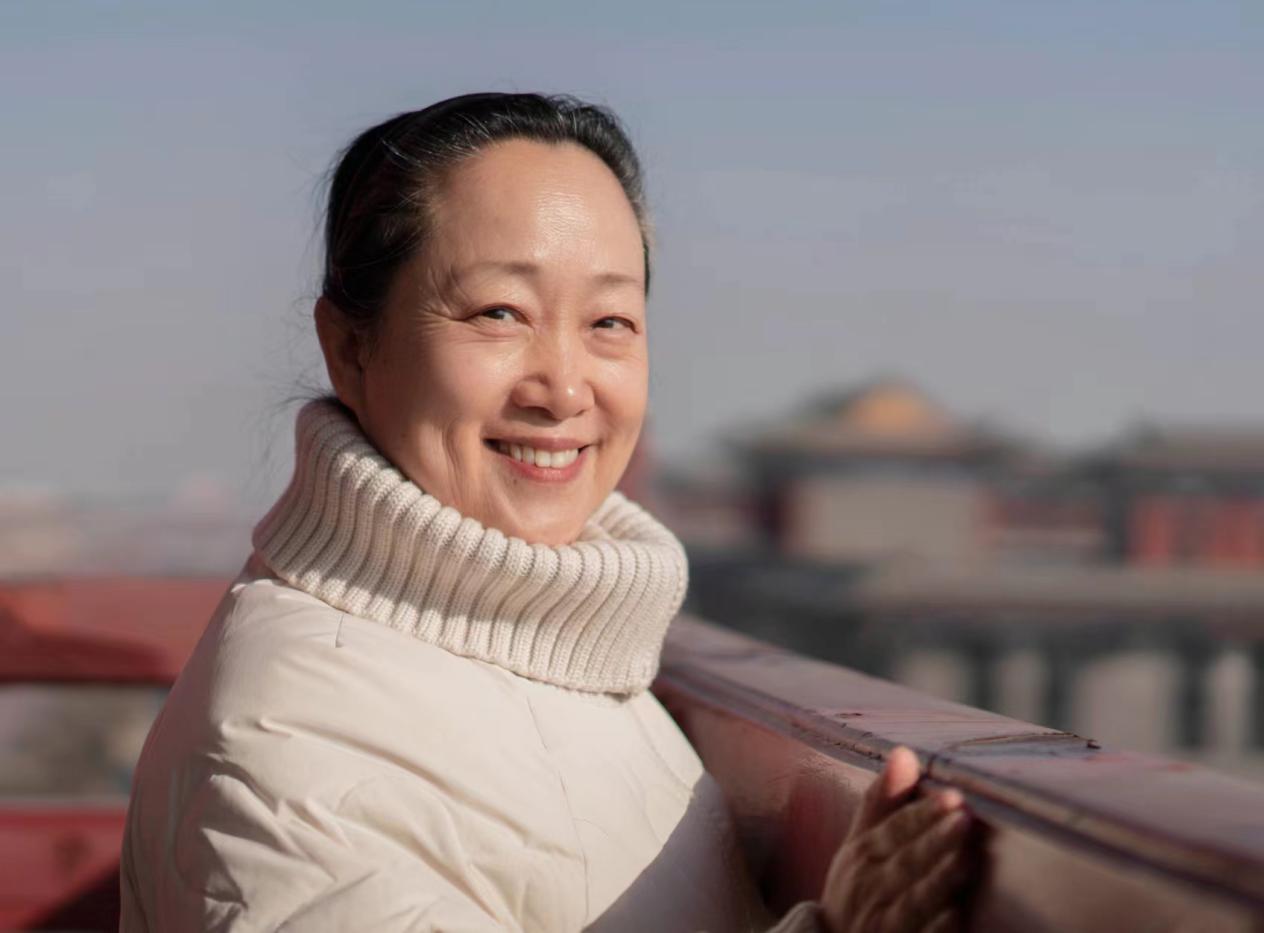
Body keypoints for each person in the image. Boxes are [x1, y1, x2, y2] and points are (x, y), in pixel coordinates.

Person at [119, 92, 977, 932]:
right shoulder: (291, 735)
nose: (564, 388)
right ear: (350, 347)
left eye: (610, 321)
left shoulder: (571, 655)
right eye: (500, 313)